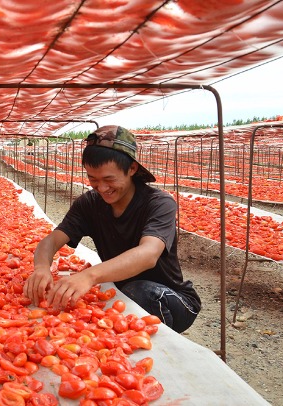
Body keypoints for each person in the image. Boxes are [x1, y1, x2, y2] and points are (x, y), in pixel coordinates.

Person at [24, 125, 200, 333]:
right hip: (123, 291)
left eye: (109, 180)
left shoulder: (159, 203)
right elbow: (51, 241)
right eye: (93, 180)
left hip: (171, 298)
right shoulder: (89, 204)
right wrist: (42, 268)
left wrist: (89, 276)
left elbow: (148, 254)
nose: (102, 188)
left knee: (141, 292)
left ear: (132, 169)